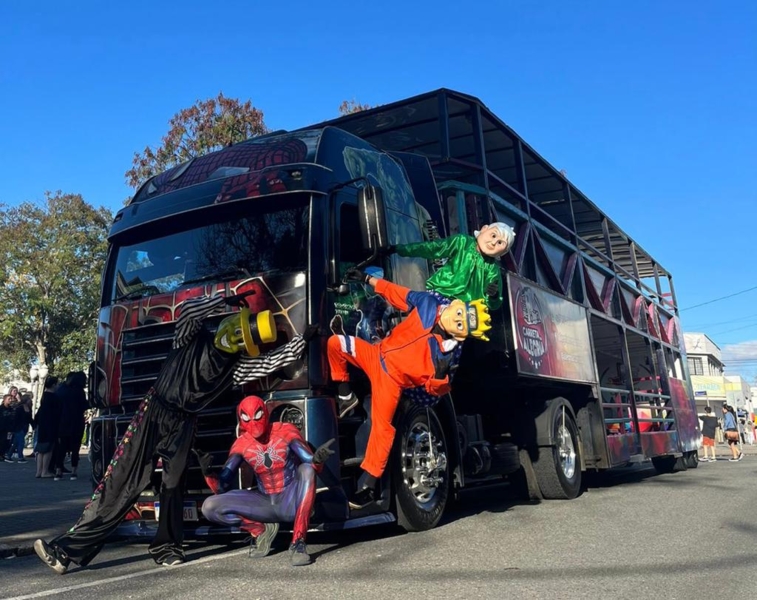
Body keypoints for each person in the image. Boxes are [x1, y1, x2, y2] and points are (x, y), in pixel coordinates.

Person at [34, 291, 317, 574]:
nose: (233, 336)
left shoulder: (235, 368)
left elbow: (271, 362)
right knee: (121, 482)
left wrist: (302, 340)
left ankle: (168, 547)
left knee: (172, 487)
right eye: (235, 328)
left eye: (241, 336)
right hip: (153, 413)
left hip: (183, 424)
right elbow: (188, 311)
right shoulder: (190, 338)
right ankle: (66, 551)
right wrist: (223, 300)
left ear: (245, 343)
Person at [328, 268, 492, 508]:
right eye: (459, 314)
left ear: (462, 335)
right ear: (457, 304)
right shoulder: (427, 304)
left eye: (461, 325)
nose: (455, 321)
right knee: (336, 343)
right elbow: (397, 293)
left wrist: (440, 377)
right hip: (376, 354)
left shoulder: (445, 354)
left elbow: (432, 393)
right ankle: (345, 396)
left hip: (391, 381)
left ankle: (368, 485)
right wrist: (367, 279)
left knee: (382, 427)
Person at [200, 395, 335, 566]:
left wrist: (318, 460)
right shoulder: (241, 445)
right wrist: (208, 473)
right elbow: (221, 488)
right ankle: (261, 530)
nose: (254, 423)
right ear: (241, 419)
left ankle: (298, 542)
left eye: (257, 416)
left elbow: (310, 462)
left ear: (265, 413)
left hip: (290, 500)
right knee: (209, 506)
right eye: (247, 418)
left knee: (306, 470)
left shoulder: (285, 431)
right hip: (264, 502)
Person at [390, 221, 516, 310]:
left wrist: (493, 295)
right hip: (439, 295)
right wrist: (401, 249)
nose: (493, 242)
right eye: (493, 235)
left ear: (503, 251)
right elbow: (433, 248)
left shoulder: (492, 269)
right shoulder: (462, 242)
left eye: (500, 243)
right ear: (484, 229)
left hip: (464, 311)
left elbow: (495, 302)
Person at [52, 372, 89, 480]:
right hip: (77, 421)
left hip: (63, 421)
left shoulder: (61, 390)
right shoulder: (79, 391)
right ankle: (74, 471)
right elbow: (84, 405)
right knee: (75, 447)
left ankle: (58, 470)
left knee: (61, 447)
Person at [33, 376, 60, 478]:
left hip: (42, 425)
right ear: (53, 385)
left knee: (40, 449)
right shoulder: (54, 397)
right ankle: (45, 471)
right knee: (48, 449)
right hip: (50, 425)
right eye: (57, 384)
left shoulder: (43, 397)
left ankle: (38, 471)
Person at [10, 393, 33, 463]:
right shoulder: (20, 408)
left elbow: (30, 419)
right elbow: (16, 419)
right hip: (19, 427)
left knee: (16, 443)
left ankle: (9, 455)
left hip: (25, 427)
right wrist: (13, 428)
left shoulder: (28, 408)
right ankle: (20, 457)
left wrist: (34, 425)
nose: (30, 401)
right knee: (21, 442)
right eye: (29, 399)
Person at [0, 394, 16, 462]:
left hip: (9, 429)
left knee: (7, 442)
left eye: (11, 399)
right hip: (1, 428)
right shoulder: (1, 409)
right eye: (9, 399)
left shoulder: (11, 409)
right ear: (4, 400)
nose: (10, 400)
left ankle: (3, 454)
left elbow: (13, 418)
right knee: (1, 441)